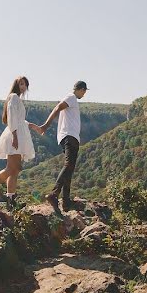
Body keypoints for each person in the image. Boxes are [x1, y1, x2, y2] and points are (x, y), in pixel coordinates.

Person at [0, 76, 41, 210]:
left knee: (15, 170)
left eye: (25, 85)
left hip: (19, 134)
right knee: (11, 169)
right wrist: (15, 136)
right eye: (21, 84)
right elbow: (11, 118)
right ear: (17, 85)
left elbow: (19, 119)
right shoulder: (14, 97)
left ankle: (11, 200)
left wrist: (32, 125)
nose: (23, 87)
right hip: (14, 136)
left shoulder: (17, 99)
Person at [39, 80, 88, 212]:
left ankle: (66, 202)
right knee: (68, 165)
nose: (84, 94)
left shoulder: (72, 100)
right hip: (69, 136)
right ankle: (54, 194)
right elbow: (57, 108)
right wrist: (45, 125)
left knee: (70, 168)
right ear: (81, 89)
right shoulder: (71, 97)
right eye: (84, 92)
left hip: (69, 137)